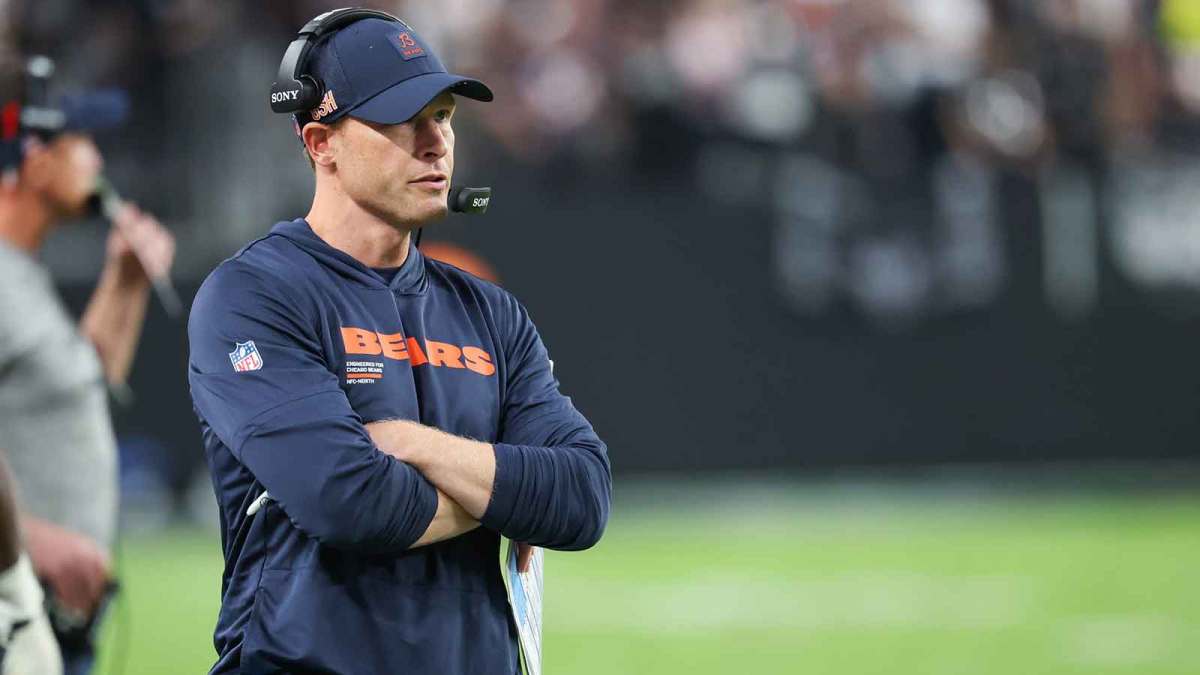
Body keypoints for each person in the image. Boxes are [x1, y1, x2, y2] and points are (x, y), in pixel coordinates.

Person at [187, 10, 611, 673]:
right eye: (401, 120)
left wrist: (413, 444)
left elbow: (582, 496)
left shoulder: (491, 312)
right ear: (320, 142)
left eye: (442, 116)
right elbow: (352, 502)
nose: (435, 142)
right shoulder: (252, 297)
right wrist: (509, 497)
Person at [0, 58, 176, 675]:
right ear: (33, 156)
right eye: (81, 142)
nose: (97, 161)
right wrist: (28, 544)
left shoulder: (21, 272)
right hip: (14, 616)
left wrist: (124, 281)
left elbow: (85, 386)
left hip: (54, 622)